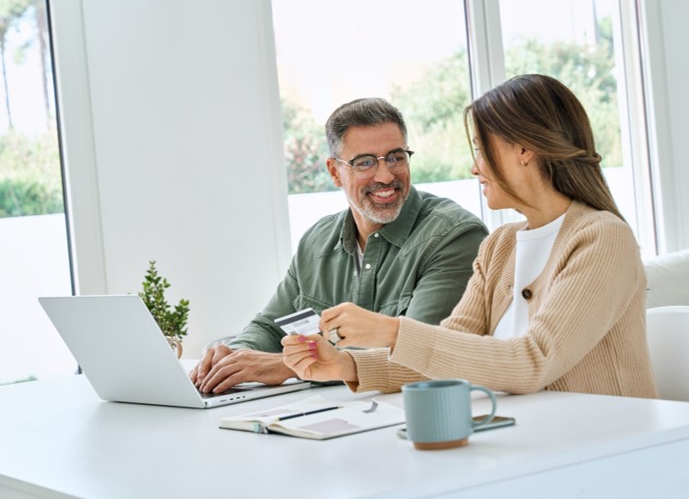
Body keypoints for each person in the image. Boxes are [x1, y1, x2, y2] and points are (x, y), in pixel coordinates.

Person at [282, 74, 658, 399]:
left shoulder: (603, 238)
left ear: (525, 149)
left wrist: (391, 331)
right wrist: (345, 364)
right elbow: (447, 355)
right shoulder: (500, 246)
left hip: (603, 451)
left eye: (481, 148)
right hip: (525, 446)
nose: (475, 166)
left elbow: (533, 361)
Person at [191, 97, 488, 393]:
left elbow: (425, 353)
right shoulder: (316, 242)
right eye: (365, 163)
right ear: (334, 172)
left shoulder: (453, 236)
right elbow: (270, 327)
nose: (385, 176)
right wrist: (233, 357)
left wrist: (285, 366)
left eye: (396, 157)